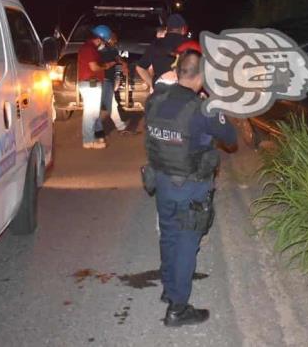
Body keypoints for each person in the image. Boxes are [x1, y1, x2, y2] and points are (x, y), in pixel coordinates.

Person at [144, 50, 237, 327]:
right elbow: (231, 139)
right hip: (191, 185)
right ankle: (178, 308)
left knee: (169, 236)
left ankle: (169, 289)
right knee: (187, 243)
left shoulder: (154, 100)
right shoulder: (202, 108)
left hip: (161, 180)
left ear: (178, 71)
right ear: (201, 75)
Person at [77, 25, 121, 149]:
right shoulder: (89, 49)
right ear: (100, 39)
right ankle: (88, 140)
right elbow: (94, 67)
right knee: (90, 114)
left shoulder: (91, 48)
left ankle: (93, 138)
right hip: (90, 84)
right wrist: (106, 66)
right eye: (105, 41)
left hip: (92, 84)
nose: (105, 44)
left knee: (94, 113)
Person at [135, 13, 189, 91]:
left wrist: (153, 84)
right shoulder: (189, 45)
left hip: (161, 95)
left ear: (167, 29)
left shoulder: (156, 44)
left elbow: (140, 67)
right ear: (183, 29)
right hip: (184, 95)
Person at [97, 30, 132, 136]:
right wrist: (120, 63)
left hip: (105, 80)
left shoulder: (108, 49)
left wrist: (123, 64)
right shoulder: (106, 49)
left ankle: (119, 127)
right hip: (103, 80)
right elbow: (112, 62)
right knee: (105, 105)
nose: (116, 41)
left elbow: (118, 59)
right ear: (109, 39)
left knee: (110, 104)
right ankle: (97, 131)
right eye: (114, 39)